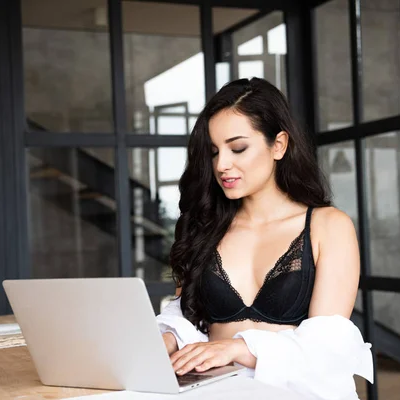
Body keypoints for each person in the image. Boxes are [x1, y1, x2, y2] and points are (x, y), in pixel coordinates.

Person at [156, 78, 373, 400]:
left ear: (279, 145)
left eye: (238, 148)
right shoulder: (202, 226)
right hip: (214, 389)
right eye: (214, 152)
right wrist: (167, 338)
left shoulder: (328, 226)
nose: (221, 165)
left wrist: (238, 348)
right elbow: (186, 313)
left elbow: (329, 342)